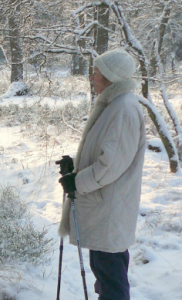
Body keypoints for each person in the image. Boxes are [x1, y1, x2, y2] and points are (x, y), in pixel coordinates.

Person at [56, 48, 146, 300]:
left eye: (96, 72)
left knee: (111, 280)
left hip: (109, 211)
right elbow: (107, 154)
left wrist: (78, 182)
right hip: (104, 208)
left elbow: (111, 164)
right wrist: (74, 166)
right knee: (106, 276)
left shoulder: (123, 109)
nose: (92, 77)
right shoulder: (116, 105)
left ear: (109, 77)